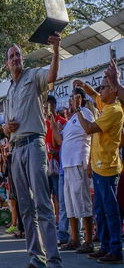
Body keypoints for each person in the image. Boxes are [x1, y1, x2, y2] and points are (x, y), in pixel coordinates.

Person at [2, 35, 63, 268]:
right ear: (7, 64)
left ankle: (54, 260)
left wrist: (56, 50)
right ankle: (36, 258)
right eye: (11, 56)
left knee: (43, 203)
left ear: (22, 58)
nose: (15, 58)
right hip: (16, 149)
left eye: (18, 54)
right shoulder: (8, 92)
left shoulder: (34, 75)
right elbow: (7, 126)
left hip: (35, 145)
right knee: (26, 207)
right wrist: (6, 128)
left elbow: (52, 76)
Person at [74, 77, 123, 264]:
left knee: (110, 211)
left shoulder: (115, 110)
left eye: (102, 87)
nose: (99, 90)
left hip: (108, 168)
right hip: (98, 166)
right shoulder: (106, 102)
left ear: (113, 90)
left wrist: (78, 110)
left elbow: (89, 128)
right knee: (100, 210)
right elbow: (94, 95)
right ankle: (105, 247)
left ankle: (115, 249)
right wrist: (83, 85)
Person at [50, 88, 94, 253]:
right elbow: (60, 140)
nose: (70, 100)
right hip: (66, 166)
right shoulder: (72, 120)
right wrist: (53, 125)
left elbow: (91, 132)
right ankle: (74, 238)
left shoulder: (86, 113)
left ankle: (88, 240)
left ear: (81, 98)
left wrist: (89, 163)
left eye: (74, 97)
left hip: (78, 162)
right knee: (70, 204)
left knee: (83, 202)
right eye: (70, 98)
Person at [45, 95, 66, 225]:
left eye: (47, 106)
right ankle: (51, 219)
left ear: (53, 106)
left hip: (58, 163)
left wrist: (56, 152)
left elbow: (64, 143)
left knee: (59, 195)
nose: (45, 109)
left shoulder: (62, 121)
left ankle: (59, 220)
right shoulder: (43, 123)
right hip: (46, 163)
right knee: (47, 195)